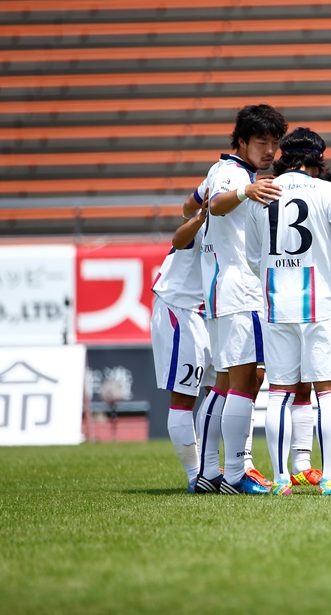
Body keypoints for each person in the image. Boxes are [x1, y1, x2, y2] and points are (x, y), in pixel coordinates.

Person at [246, 127, 331, 496]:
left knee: (279, 392)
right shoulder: (328, 191)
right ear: (318, 161)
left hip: (276, 303)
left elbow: (253, 257)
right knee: (328, 392)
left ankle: (280, 479)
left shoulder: (261, 194)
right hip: (320, 303)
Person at [185, 104, 288, 495]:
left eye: (274, 143)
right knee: (244, 383)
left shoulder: (219, 169)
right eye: (261, 142)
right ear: (242, 141)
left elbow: (191, 205)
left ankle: (209, 472)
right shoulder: (236, 175)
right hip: (241, 292)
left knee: (225, 384)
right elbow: (214, 203)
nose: (269, 151)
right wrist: (245, 191)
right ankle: (234, 474)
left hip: (219, 291)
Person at [150, 198, 216, 491]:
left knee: (222, 390)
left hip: (210, 313)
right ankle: (195, 474)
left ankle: (211, 468)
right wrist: (200, 217)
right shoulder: (208, 220)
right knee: (184, 396)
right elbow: (178, 239)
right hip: (180, 309)